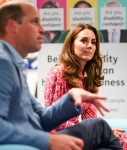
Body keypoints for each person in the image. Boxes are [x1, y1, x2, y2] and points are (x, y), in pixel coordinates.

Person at [0, 1, 123, 150]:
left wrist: (71, 98)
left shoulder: (14, 64)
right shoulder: (3, 63)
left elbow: (40, 117)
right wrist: (47, 140)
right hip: (38, 139)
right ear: (12, 26)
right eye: (34, 22)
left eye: (93, 42)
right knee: (100, 126)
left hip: (40, 134)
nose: (42, 29)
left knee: (107, 135)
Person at [44, 23, 103, 133]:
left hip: (81, 134)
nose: (90, 46)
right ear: (71, 45)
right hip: (61, 138)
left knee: (120, 139)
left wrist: (102, 132)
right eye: (84, 40)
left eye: (93, 42)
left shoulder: (89, 78)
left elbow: (91, 118)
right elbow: (53, 121)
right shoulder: (57, 73)